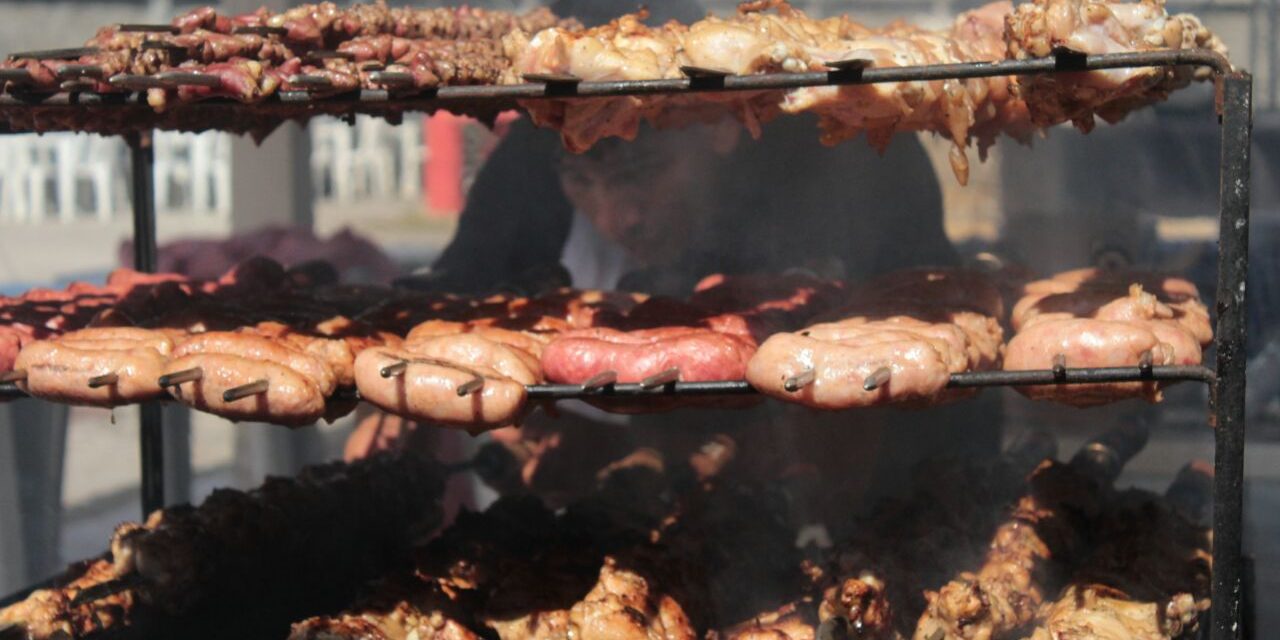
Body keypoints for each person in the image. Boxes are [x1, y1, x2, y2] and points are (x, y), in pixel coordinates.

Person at [362, 0, 1000, 533]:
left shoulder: (848, 147)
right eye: (585, 182)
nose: (620, 217)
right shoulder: (537, 153)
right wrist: (394, 407)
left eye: (642, 174)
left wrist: (860, 452)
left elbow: (945, 335)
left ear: (716, 124)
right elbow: (454, 299)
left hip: (859, 501)